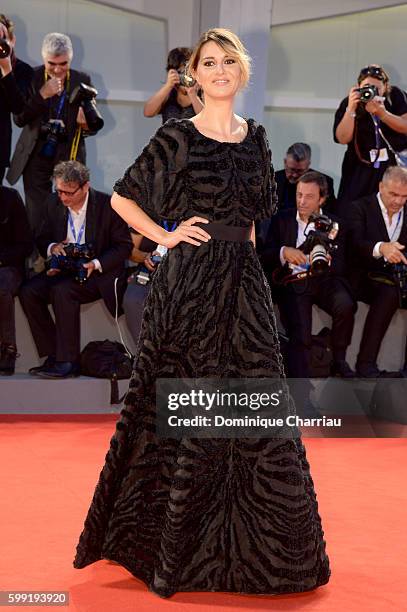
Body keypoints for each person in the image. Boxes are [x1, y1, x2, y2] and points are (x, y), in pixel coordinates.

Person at [73, 29, 330, 597]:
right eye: (207, 63)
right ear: (194, 75)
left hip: (244, 284)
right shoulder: (177, 136)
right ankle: (172, 547)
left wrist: (256, 280)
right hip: (188, 286)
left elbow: (259, 219)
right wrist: (166, 235)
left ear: (241, 72)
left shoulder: (257, 137)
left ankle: (258, 549)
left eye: (227, 61)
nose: (218, 70)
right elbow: (121, 197)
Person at [19, 161, 132, 379]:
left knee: (63, 291)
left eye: (68, 193)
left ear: (85, 186)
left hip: (97, 273)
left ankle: (68, 362)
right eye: (59, 191)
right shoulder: (53, 202)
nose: (63, 198)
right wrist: (53, 247)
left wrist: (96, 263)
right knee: (28, 292)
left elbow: (124, 246)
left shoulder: (108, 205)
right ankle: (53, 355)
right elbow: (41, 236)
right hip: (64, 268)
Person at [258, 171, 356, 379]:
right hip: (293, 283)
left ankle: (339, 359)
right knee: (300, 332)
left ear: (322, 198)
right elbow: (264, 255)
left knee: (346, 304)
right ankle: (300, 384)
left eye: (309, 197)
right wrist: (284, 252)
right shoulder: (281, 219)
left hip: (324, 281)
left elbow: (342, 266)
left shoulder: (335, 225)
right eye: (299, 195)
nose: (302, 201)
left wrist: (326, 260)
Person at [6, 32, 103, 236]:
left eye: (63, 63)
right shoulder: (30, 76)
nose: (58, 69)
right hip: (35, 152)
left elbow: (93, 125)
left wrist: (85, 125)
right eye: (52, 64)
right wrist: (43, 95)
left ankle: (63, 257)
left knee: (67, 208)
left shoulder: (81, 79)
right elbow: (19, 118)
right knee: (36, 212)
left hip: (68, 151)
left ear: (71, 59)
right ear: (43, 59)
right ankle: (37, 262)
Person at [348, 165, 407, 377]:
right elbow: (355, 244)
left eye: (404, 196)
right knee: (388, 293)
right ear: (381, 186)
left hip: (400, 278)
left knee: (392, 290)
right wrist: (381, 248)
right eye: (394, 194)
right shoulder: (360, 208)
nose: (399, 201)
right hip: (365, 276)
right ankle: (365, 364)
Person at [334, 64, 407, 210]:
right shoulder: (350, 102)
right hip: (359, 168)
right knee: (353, 211)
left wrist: (383, 114)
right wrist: (351, 109)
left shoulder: (395, 97)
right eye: (367, 86)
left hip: (391, 168)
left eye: (376, 88)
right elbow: (342, 138)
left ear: (386, 87)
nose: (371, 92)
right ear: (358, 86)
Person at [0, 185, 33, 375]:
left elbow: (25, 245)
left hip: (8, 266)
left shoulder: (10, 198)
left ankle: (7, 349)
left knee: (1, 286)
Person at [0, 14, 33, 184]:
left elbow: (18, 108)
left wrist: (7, 72)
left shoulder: (22, 70)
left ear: (12, 40)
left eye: (2, 38)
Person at [143, 47, 203, 122]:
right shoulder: (169, 93)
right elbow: (148, 113)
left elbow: (208, 122)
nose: (185, 77)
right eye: (181, 73)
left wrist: (193, 95)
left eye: (187, 73)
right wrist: (168, 86)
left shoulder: (204, 93)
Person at [123, 230, 160, 345]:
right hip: (147, 273)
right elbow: (131, 250)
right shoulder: (149, 213)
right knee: (133, 299)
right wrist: (146, 257)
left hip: (186, 272)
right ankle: (145, 354)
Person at [275, 142, 336, 213]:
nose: (294, 175)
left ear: (308, 165)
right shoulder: (271, 180)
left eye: (300, 171)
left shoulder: (325, 182)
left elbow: (330, 214)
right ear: (285, 162)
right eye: (291, 169)